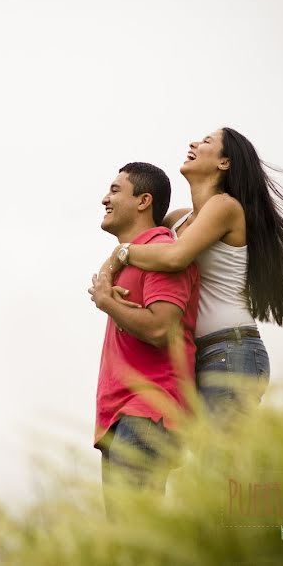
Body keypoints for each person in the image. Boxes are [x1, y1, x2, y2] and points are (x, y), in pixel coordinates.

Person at [104, 127, 283, 422]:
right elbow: (140, 240)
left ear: (224, 163)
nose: (193, 143)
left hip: (231, 350)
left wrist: (121, 255)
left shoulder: (224, 207)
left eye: (206, 142)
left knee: (222, 463)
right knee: (211, 464)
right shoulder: (176, 219)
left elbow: (174, 258)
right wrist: (108, 280)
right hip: (200, 355)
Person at [87, 162, 199, 512]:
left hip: (147, 411)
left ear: (143, 201)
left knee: (135, 536)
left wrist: (107, 302)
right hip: (121, 417)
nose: (105, 198)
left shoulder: (161, 251)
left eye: (116, 190)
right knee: (124, 540)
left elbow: (160, 327)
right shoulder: (132, 259)